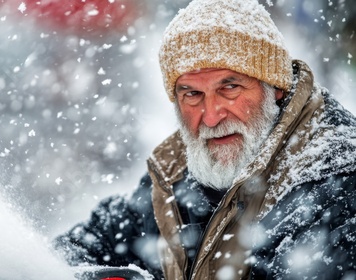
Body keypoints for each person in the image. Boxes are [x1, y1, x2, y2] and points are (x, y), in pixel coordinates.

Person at [53, 0, 356, 279]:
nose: (211, 117)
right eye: (192, 94)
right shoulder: (180, 171)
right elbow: (78, 249)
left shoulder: (337, 180)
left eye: (230, 88)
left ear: (275, 87)